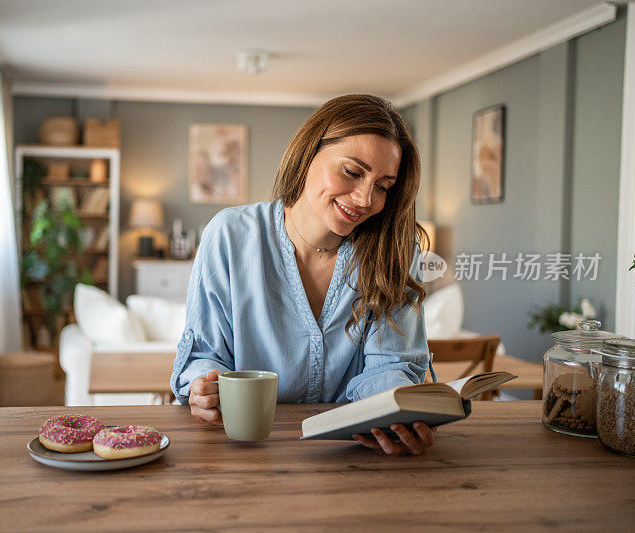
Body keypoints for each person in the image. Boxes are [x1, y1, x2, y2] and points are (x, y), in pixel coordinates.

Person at [170, 94, 436, 455]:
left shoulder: (396, 250)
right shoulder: (229, 235)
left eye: (383, 186)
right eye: (352, 172)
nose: (364, 198)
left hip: (351, 456)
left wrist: (399, 407)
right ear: (307, 154)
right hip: (247, 452)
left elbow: (389, 365)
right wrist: (204, 387)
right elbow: (205, 353)